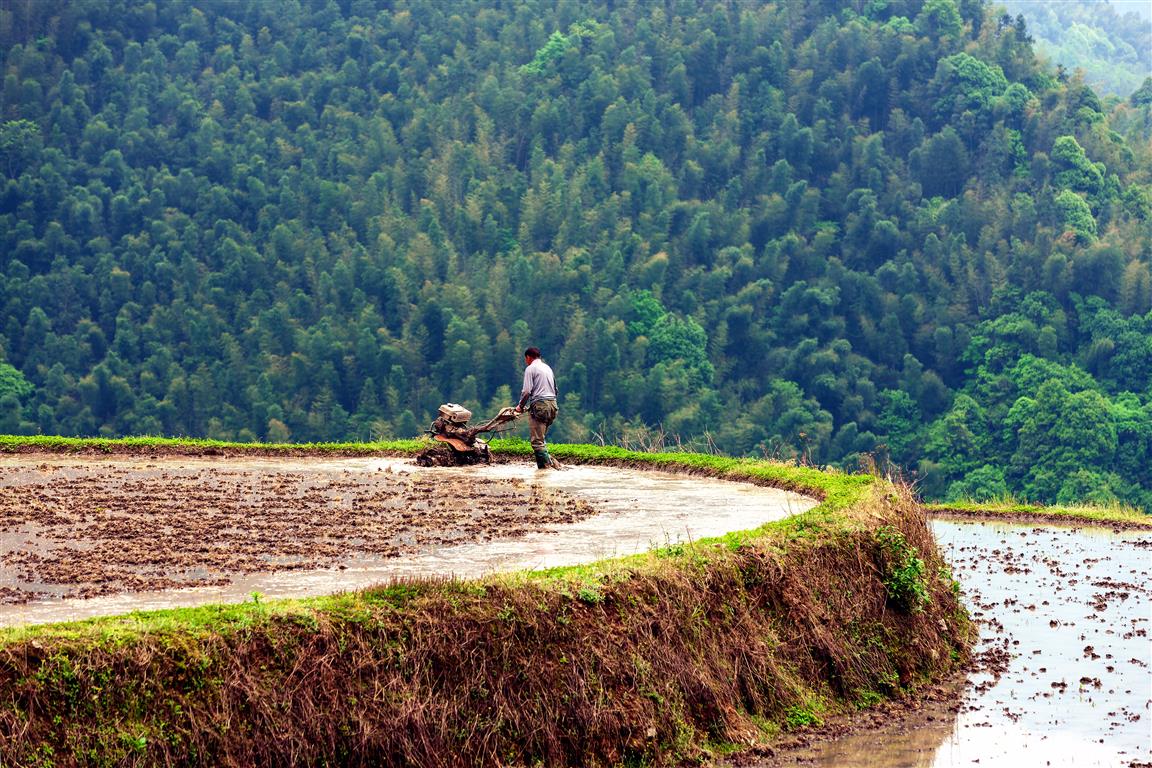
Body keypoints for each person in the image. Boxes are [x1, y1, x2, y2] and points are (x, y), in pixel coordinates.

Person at [515, 346, 559, 469]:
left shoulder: (530, 369)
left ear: (528, 357)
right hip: (552, 405)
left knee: (537, 442)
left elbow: (527, 391)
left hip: (540, 406)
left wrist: (520, 406)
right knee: (542, 439)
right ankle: (551, 464)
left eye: (526, 359)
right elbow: (556, 390)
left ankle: (545, 470)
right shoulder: (547, 368)